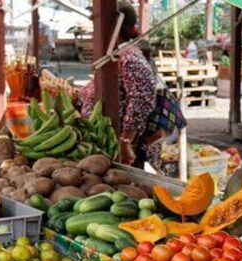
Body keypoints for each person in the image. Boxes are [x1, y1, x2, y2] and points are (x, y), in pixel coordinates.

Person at [79, 1, 185, 171]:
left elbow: (141, 98)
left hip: (128, 153)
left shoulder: (128, 57)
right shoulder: (113, 56)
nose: (94, 31)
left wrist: (125, 141)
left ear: (114, 24)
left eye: (96, 24)